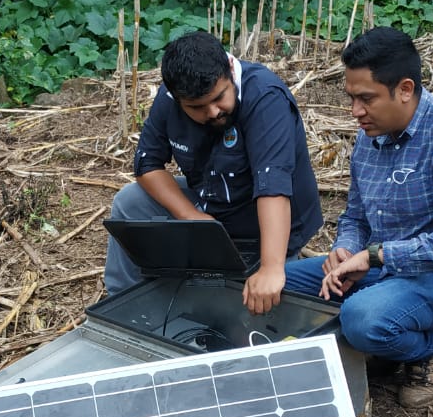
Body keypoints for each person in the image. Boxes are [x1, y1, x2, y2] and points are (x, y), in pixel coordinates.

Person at [284, 26, 433, 407]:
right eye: (351, 98)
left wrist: (377, 256)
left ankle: (428, 346)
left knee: (361, 318)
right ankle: (383, 336)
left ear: (405, 89)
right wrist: (346, 249)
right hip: (380, 267)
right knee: (277, 286)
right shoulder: (369, 141)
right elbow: (356, 217)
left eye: (366, 99)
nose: (355, 112)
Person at [104, 30, 323, 315]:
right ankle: (123, 307)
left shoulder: (265, 97)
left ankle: (272, 263)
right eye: (197, 107)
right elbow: (147, 165)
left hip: (267, 223)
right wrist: (192, 218)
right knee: (130, 201)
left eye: (219, 97)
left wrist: (271, 268)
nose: (213, 112)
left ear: (230, 69)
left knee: (257, 309)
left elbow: (273, 185)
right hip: (212, 211)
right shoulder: (169, 99)